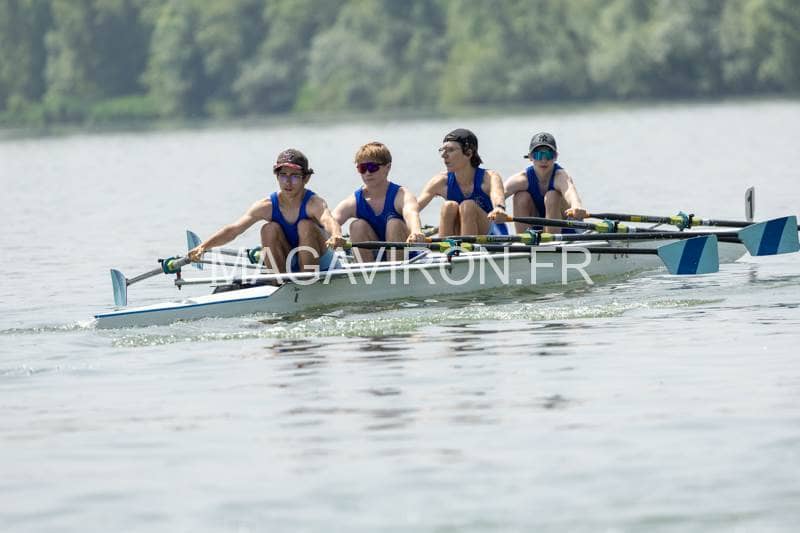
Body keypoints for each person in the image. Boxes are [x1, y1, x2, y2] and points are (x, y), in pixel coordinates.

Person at [188, 148, 345, 273]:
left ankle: (306, 285)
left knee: (305, 225)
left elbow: (329, 221)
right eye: (283, 175)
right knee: (268, 229)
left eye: (295, 176)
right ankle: (280, 283)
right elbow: (234, 230)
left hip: (322, 264)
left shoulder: (314, 203)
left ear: (306, 178)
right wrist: (204, 247)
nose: (288, 182)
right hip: (290, 261)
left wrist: (336, 235)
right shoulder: (266, 205)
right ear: (277, 176)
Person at [332, 141, 426, 262]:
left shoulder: (401, 195)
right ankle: (366, 271)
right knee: (357, 226)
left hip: (408, 257)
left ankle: (396, 269)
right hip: (373, 259)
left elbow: (411, 214)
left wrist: (416, 231)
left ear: (388, 167)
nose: (367, 173)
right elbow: (331, 220)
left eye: (372, 167)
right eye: (362, 168)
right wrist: (335, 234)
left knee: (394, 223)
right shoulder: (354, 201)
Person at [417, 128, 508, 236]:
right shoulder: (440, 181)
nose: (444, 155)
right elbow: (414, 209)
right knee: (448, 206)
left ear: (468, 153)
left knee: (467, 206)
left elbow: (497, 195)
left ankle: (466, 245)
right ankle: (446, 245)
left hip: (494, 234)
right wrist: (414, 230)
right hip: (462, 233)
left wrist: (499, 208)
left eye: (450, 150)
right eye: (443, 150)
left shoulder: (489, 177)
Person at [503, 132, 587, 234]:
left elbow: (570, 192)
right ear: (530, 157)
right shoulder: (522, 179)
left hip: (567, 229)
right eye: (539, 155)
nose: (543, 160)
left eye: (548, 155)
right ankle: (524, 239)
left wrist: (576, 206)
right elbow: (499, 195)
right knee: (520, 197)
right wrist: (498, 208)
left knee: (552, 196)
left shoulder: (561, 176)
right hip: (537, 229)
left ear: (555, 156)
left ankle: (551, 240)